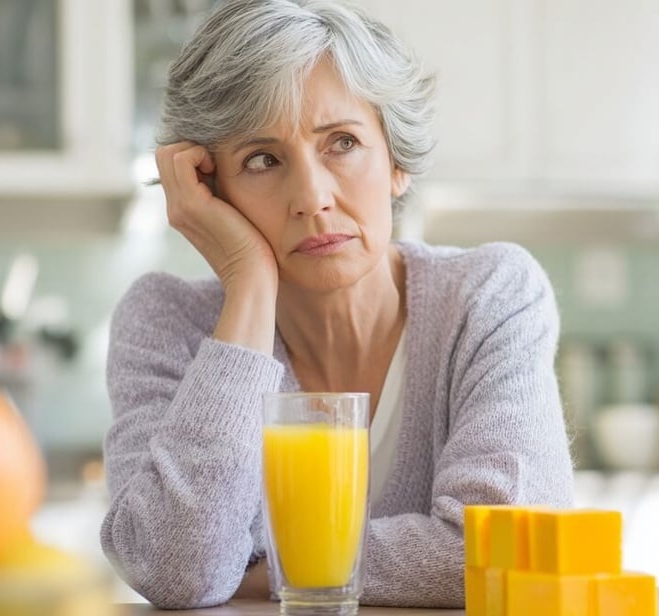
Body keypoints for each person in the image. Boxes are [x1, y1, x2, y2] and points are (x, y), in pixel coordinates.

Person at [100, 0, 574, 609]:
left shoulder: (490, 295)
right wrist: (247, 284)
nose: (312, 197)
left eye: (342, 143)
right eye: (262, 160)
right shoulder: (164, 322)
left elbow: (506, 549)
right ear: (209, 189)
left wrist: (264, 567)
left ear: (397, 162)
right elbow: (178, 570)